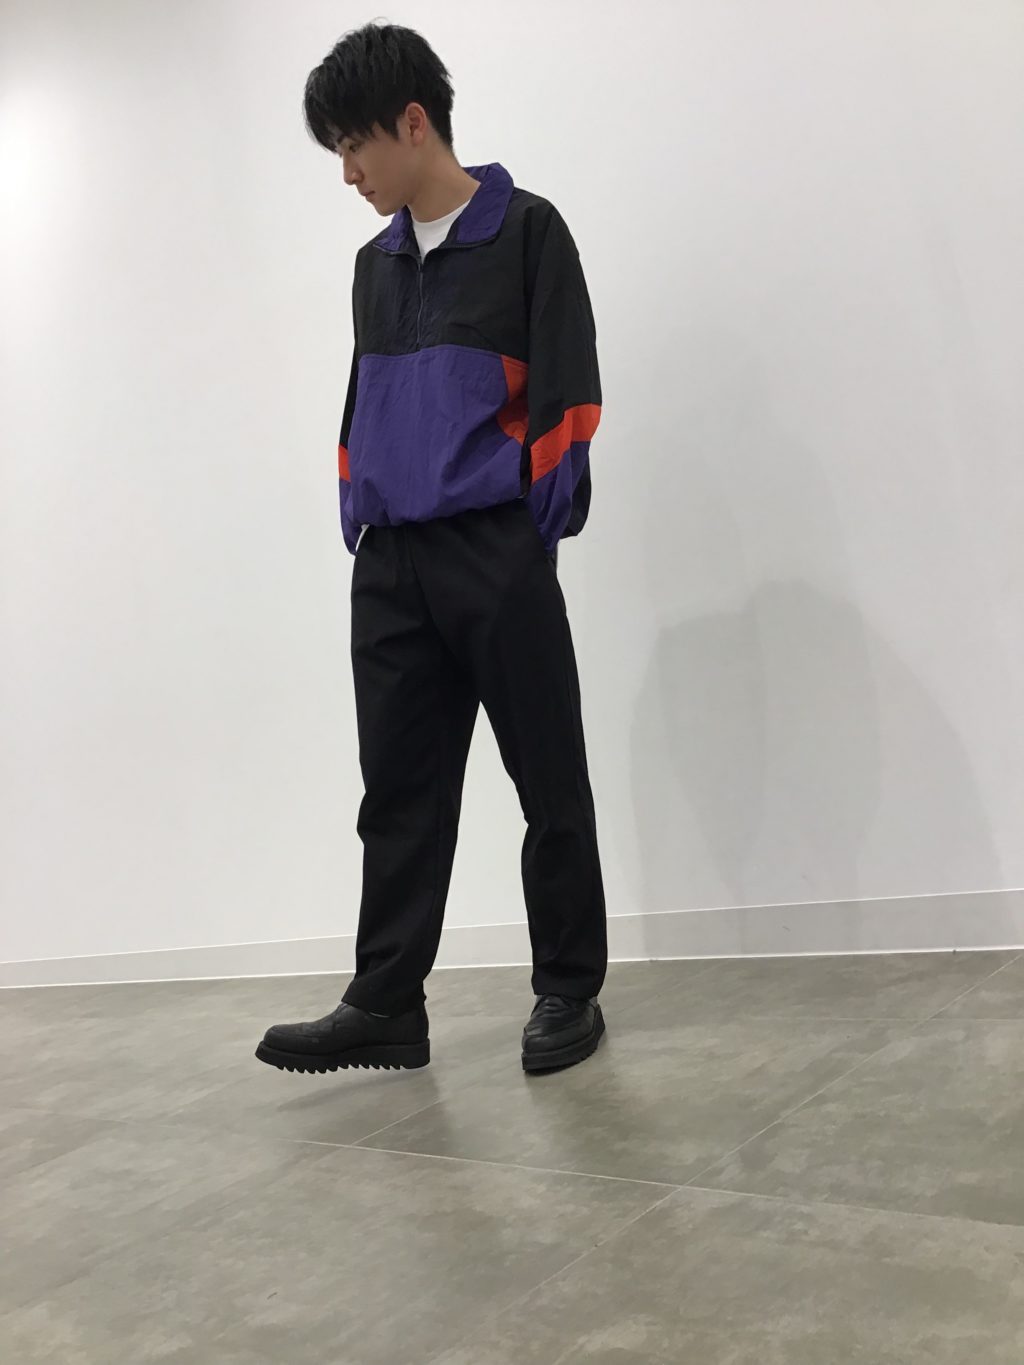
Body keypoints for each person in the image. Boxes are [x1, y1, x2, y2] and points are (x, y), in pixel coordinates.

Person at [256, 21, 607, 1078]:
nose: (348, 173)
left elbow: (568, 387)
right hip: (392, 563)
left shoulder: (527, 231)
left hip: (494, 547)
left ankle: (568, 988)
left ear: (414, 121)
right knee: (399, 790)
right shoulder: (375, 266)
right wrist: (357, 502)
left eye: (353, 146)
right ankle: (386, 1002)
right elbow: (365, 399)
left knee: (547, 774)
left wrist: (533, 528)